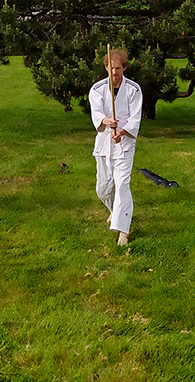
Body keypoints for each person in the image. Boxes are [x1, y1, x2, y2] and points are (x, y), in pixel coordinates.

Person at [89, 48, 143, 245]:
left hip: (125, 144)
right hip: (104, 143)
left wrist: (121, 132)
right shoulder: (97, 89)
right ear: (106, 67)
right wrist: (105, 120)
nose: (114, 72)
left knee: (121, 185)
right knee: (103, 188)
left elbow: (135, 118)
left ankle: (123, 231)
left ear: (124, 67)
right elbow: (96, 113)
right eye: (111, 68)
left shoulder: (134, 90)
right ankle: (116, 210)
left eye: (118, 68)